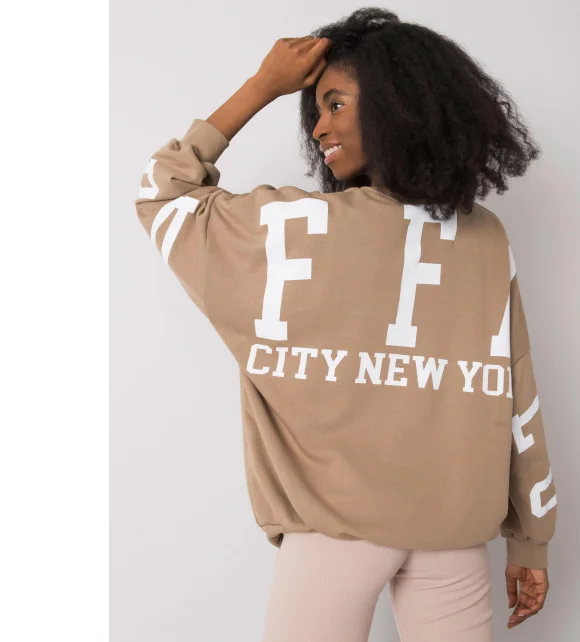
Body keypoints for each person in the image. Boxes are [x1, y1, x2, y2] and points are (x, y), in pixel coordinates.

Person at [135, 8, 557, 640]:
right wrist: (531, 537)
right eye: (315, 111)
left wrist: (262, 86)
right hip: (453, 533)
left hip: (334, 537)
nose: (319, 126)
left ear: (397, 105)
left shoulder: (296, 229)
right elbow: (517, 389)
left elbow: (162, 193)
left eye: (335, 104)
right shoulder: (482, 234)